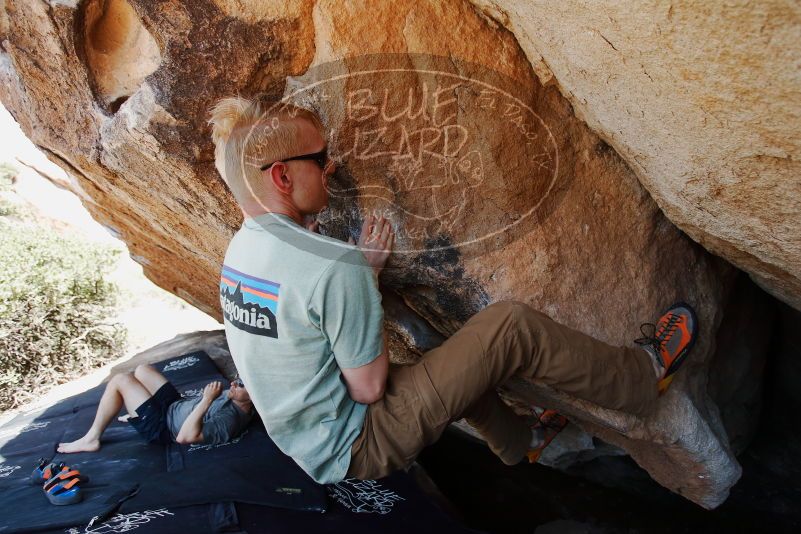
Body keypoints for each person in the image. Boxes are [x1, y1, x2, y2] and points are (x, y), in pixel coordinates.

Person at [208, 96, 698, 484]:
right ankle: (641, 379)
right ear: (282, 175)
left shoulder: (241, 252)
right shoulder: (334, 267)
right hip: (360, 439)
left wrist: (342, 274)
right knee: (510, 328)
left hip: (309, 437)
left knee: (453, 369)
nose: (331, 166)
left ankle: (521, 441)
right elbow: (369, 387)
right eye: (320, 158)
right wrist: (363, 276)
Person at [57, 364, 254, 453]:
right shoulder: (237, 397)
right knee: (142, 369)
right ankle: (137, 411)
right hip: (174, 406)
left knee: (121, 380)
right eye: (236, 380)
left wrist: (206, 400)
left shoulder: (229, 420)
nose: (234, 384)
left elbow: (184, 437)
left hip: (162, 427)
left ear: (252, 398)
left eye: (241, 385)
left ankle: (91, 438)